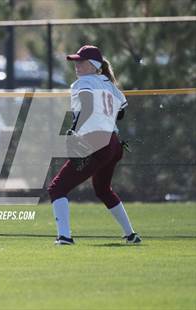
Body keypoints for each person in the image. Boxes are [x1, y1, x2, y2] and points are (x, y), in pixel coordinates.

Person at [47, 45, 141, 245]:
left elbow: (87, 105)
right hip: (113, 144)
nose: (76, 65)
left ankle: (64, 237)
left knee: (57, 188)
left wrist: (75, 130)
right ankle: (131, 235)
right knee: (103, 189)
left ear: (93, 65)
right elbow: (122, 112)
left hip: (95, 141)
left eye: (81, 61)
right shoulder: (108, 83)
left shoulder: (83, 83)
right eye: (76, 61)